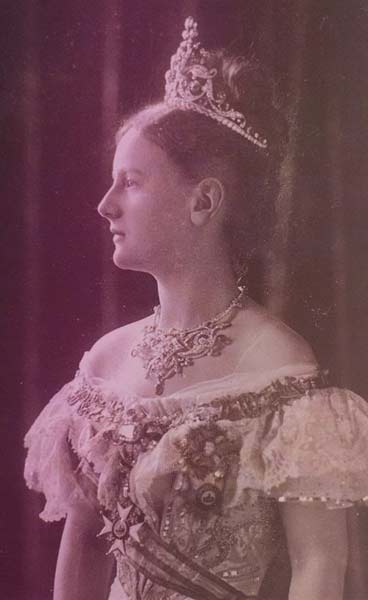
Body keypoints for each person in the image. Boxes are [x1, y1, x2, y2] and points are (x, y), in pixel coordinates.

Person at [24, 16, 368, 600]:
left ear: (203, 200)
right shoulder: (105, 364)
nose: (105, 205)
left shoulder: (279, 365)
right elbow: (83, 547)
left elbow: (320, 568)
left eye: (130, 182)